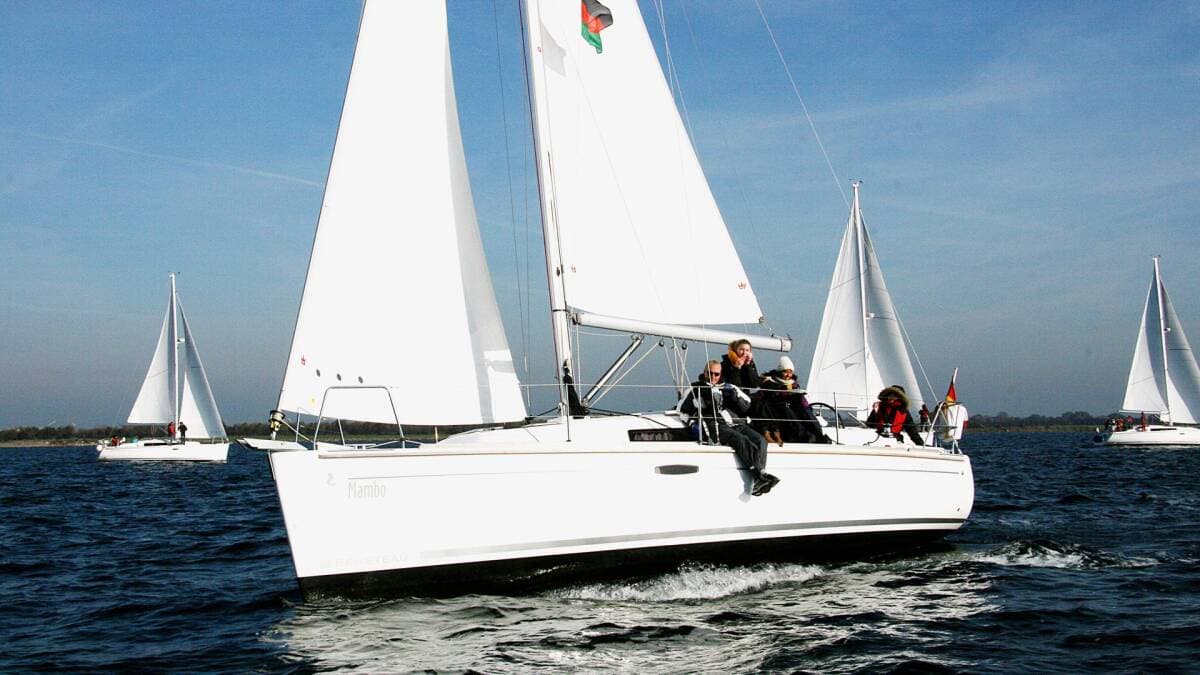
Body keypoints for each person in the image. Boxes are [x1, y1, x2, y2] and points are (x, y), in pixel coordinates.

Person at [680, 359, 779, 496]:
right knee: (739, 439)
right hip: (714, 424)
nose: (713, 377)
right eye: (710, 373)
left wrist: (735, 397)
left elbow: (747, 403)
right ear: (704, 373)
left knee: (761, 440)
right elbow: (682, 410)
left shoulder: (729, 387)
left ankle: (760, 476)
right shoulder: (695, 389)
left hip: (734, 422)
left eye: (716, 374)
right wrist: (692, 423)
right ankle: (759, 476)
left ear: (720, 374)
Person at [756, 356, 832, 445]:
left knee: (806, 410)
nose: (788, 375)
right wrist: (784, 394)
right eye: (785, 372)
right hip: (778, 408)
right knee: (787, 409)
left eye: (790, 372)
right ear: (780, 371)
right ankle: (803, 435)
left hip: (792, 406)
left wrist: (801, 399)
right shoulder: (770, 382)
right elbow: (766, 397)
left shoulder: (793, 384)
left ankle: (819, 435)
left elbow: (801, 401)